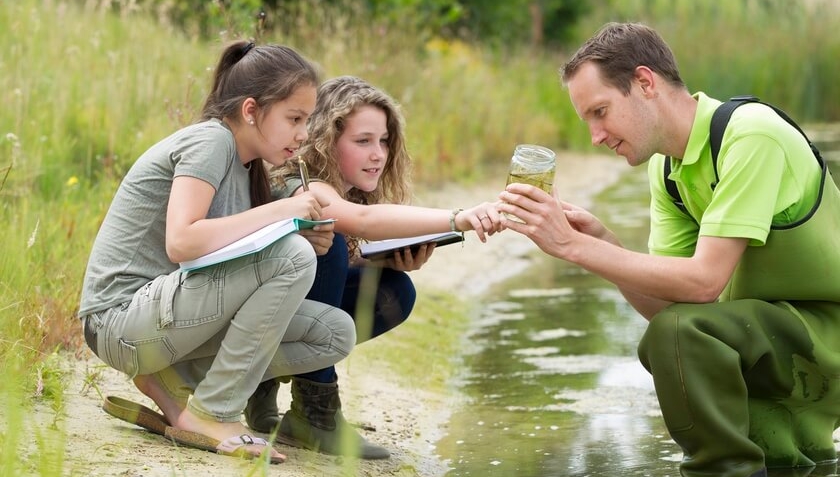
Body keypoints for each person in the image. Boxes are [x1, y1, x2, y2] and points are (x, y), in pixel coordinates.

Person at [499, 22, 840, 477]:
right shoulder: (667, 170)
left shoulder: (752, 135)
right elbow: (669, 315)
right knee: (676, 339)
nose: (595, 137)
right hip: (771, 344)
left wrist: (573, 246)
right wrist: (602, 242)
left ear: (645, 83)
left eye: (600, 112)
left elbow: (704, 283)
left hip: (822, 341)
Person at [78, 41, 358, 464]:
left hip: (168, 321)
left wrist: (301, 231)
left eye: (307, 120)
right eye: (294, 118)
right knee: (292, 257)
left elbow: (227, 255)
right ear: (251, 110)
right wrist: (281, 212)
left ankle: (176, 383)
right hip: (119, 321)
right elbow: (183, 241)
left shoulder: (248, 168)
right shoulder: (211, 142)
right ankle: (214, 411)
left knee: (335, 331)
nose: (303, 134)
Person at [243, 75, 504, 459]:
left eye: (384, 141)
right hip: (244, 322)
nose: (378, 154)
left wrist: (385, 260)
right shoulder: (303, 184)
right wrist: (459, 218)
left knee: (392, 291)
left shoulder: (343, 189)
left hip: (278, 315)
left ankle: (273, 385)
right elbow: (359, 224)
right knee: (327, 244)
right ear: (326, 142)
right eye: (363, 141)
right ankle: (316, 411)